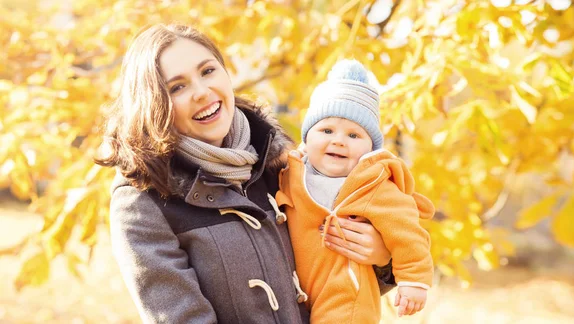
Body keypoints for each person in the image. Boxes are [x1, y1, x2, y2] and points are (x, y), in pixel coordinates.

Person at [95, 24, 396, 323]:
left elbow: (336, 284)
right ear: (154, 104)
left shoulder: (280, 164)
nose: (202, 92)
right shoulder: (144, 201)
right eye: (177, 87)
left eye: (208, 71)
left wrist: (381, 259)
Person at [274, 60, 435, 323]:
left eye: (353, 135)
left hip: (345, 294)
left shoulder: (371, 183)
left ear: (370, 149)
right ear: (307, 137)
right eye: (326, 130)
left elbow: (406, 229)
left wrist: (414, 279)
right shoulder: (290, 172)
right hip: (296, 290)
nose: (338, 140)